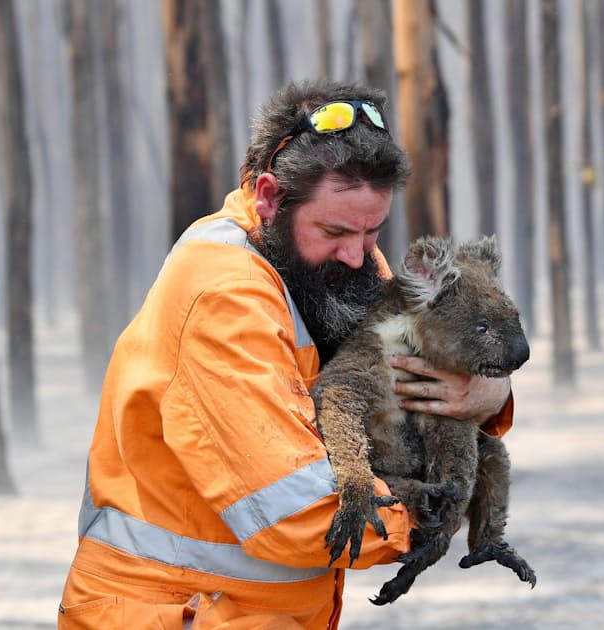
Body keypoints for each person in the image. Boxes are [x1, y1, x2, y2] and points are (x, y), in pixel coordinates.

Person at [58, 80, 516, 629]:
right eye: (334, 230)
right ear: (270, 197)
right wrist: (435, 509)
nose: (358, 255)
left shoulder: (335, 267)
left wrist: (491, 393)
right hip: (173, 611)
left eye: (373, 231)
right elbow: (296, 512)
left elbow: (425, 371)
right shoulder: (224, 297)